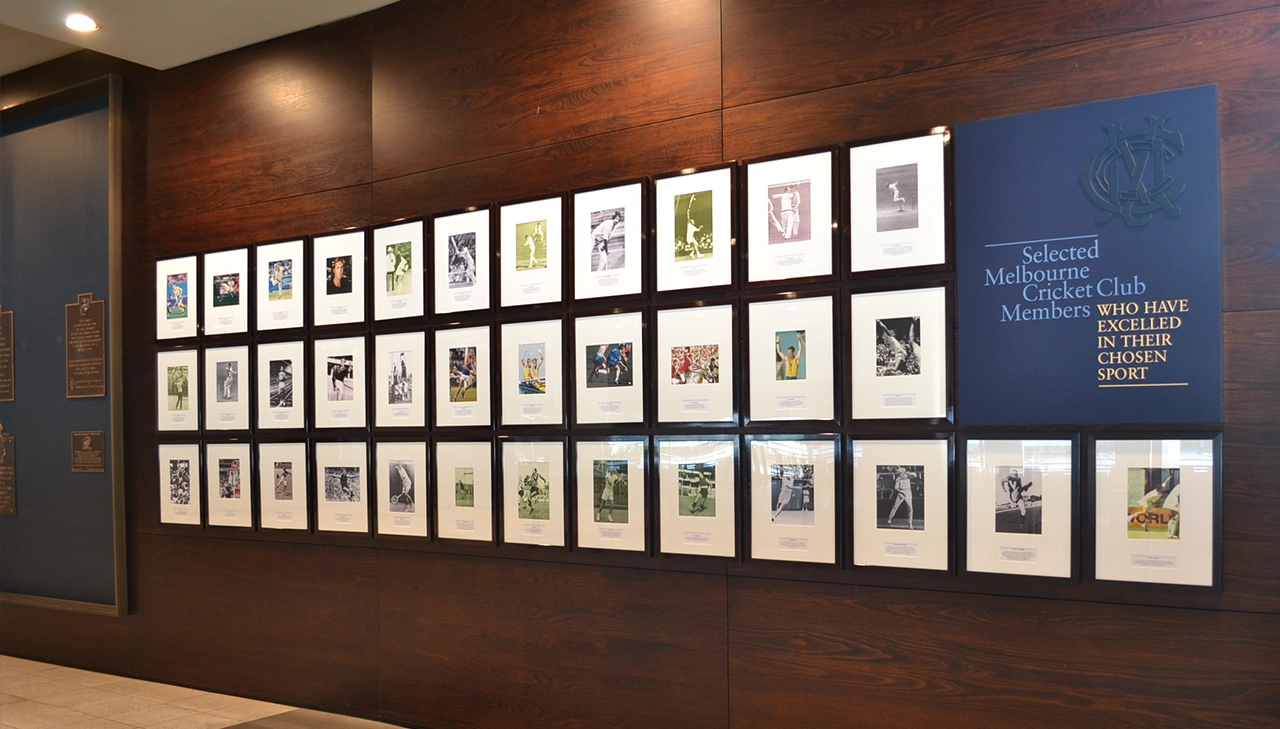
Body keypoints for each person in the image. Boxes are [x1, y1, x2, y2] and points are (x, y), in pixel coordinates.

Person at [1129, 472, 1180, 538]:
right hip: (1145, 500)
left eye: (1163, 488)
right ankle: (1130, 517)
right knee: (1144, 512)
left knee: (1150, 516)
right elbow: (1150, 500)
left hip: (1151, 503)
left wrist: (1171, 476)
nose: (1163, 490)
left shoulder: (1161, 487)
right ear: (1159, 490)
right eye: (1162, 489)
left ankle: (1145, 525)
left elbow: (1166, 481)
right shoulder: (1155, 494)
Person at [684, 194, 705, 258]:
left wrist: (700, 227)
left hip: (691, 237)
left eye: (693, 220)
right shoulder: (689, 224)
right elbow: (688, 217)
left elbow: (698, 230)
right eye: (692, 220)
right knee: (695, 244)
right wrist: (688, 212)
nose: (693, 220)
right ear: (690, 221)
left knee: (696, 245)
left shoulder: (694, 227)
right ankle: (698, 254)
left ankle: (692, 253)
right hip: (689, 237)